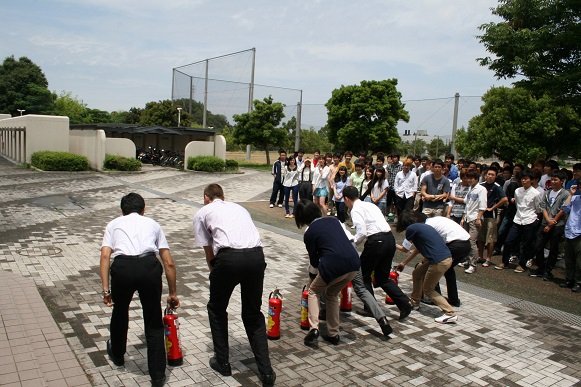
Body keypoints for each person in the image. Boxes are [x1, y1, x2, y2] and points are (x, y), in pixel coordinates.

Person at [192, 184, 275, 386]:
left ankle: (223, 362)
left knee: (217, 309)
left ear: (206, 197)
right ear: (223, 196)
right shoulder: (239, 208)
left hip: (228, 259)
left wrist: (215, 273)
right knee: (253, 314)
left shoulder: (203, 212)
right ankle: (266, 372)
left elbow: (208, 251)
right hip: (256, 257)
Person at [100, 193, 179, 387]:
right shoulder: (153, 224)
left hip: (123, 268)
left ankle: (118, 354)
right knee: (152, 319)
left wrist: (105, 290)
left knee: (120, 312)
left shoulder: (113, 224)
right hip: (148, 267)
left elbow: (104, 256)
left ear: (122, 210)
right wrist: (173, 293)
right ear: (144, 210)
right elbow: (168, 262)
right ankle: (157, 375)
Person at [342, 187, 413, 320]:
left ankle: (370, 308)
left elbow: (362, 232)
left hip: (376, 242)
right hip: (389, 240)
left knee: (363, 275)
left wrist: (351, 245)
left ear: (346, 199)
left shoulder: (355, 209)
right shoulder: (370, 205)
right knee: (382, 278)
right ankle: (404, 303)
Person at [295, 200, 360, 345]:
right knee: (331, 294)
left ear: (302, 219)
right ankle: (333, 333)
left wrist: (312, 277)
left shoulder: (310, 233)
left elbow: (314, 260)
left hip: (334, 265)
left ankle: (314, 328)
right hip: (354, 263)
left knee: (313, 292)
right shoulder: (333, 220)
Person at [396, 211, 470, 308]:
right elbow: (418, 248)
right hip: (466, 244)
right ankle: (453, 299)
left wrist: (422, 263)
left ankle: (435, 297)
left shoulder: (427, 226)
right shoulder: (432, 221)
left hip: (455, 244)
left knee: (435, 266)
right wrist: (404, 263)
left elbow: (429, 250)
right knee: (448, 269)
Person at [395, 219, 458, 324]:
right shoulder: (424, 227)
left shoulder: (411, 229)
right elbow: (418, 249)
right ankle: (415, 302)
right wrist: (404, 263)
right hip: (446, 258)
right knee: (417, 273)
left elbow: (405, 249)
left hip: (438, 261)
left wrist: (393, 244)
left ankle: (450, 313)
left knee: (428, 289)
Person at [495, 169, 542, 272]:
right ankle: (505, 262)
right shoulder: (517, 191)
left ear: (532, 180)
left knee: (526, 243)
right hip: (518, 218)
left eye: (526, 179)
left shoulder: (536, 193)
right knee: (508, 241)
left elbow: (538, 208)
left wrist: (534, 218)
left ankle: (522, 264)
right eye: (522, 179)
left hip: (530, 219)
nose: (524, 181)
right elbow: (517, 204)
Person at [530, 170, 570, 280]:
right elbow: (543, 207)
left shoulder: (565, 194)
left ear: (561, 181)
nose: (553, 182)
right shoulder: (547, 192)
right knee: (538, 246)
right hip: (545, 222)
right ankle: (541, 268)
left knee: (553, 248)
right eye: (552, 179)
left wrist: (552, 223)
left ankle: (548, 271)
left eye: (555, 180)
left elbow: (562, 210)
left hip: (557, 225)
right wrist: (547, 220)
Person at [477, 167, 507, 267]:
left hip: (491, 215)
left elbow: (504, 199)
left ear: (495, 176)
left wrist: (493, 207)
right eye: (488, 174)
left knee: (490, 238)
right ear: (485, 175)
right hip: (480, 215)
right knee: (480, 237)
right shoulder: (480, 186)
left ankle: (488, 258)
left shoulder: (497, 187)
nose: (490, 176)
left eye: (492, 175)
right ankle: (480, 256)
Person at [462, 170, 487, 274]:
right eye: (468, 178)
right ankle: (468, 260)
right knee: (466, 240)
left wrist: (478, 218)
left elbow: (483, 205)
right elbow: (467, 204)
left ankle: (473, 265)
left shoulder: (481, 189)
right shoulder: (470, 189)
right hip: (468, 217)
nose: (469, 180)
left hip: (475, 218)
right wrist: (463, 218)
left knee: (472, 242)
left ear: (477, 179)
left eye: (471, 178)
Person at [560, 184, 581, 292]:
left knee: (579, 261)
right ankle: (569, 279)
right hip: (570, 231)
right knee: (569, 259)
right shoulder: (575, 198)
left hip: (579, 234)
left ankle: (578, 282)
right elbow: (565, 208)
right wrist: (571, 194)